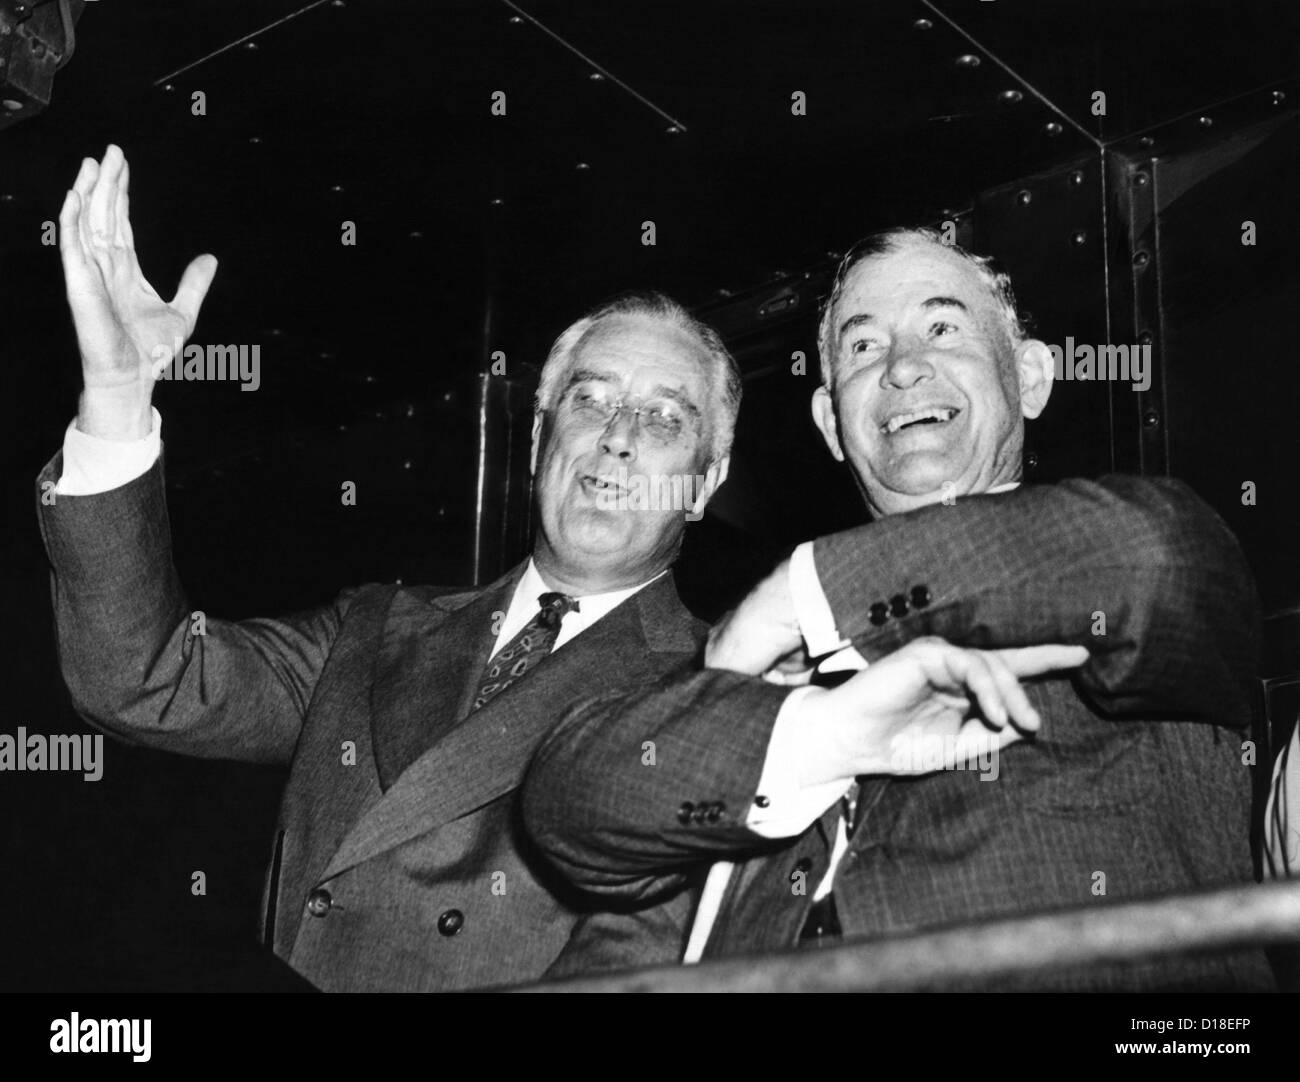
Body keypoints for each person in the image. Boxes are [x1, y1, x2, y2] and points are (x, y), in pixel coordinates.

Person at [37, 144, 746, 991]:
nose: (618, 437)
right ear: (536, 441)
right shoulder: (378, 627)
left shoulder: (721, 695)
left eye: (663, 420)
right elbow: (140, 680)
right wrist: (117, 395)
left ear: (703, 486)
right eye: (589, 402)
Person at [523, 227, 1274, 990]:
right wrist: (826, 734)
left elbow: (1158, 553)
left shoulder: (1118, 566)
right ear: (829, 425)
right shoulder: (760, 669)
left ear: (1033, 377)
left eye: (942, 328)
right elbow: (567, 805)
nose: (903, 368)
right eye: (861, 348)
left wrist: (808, 592)